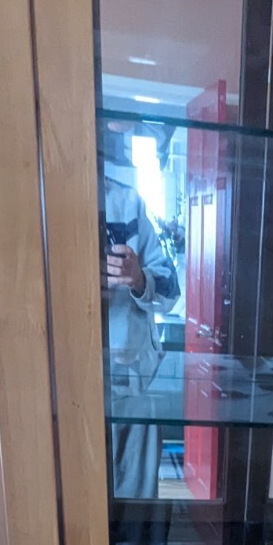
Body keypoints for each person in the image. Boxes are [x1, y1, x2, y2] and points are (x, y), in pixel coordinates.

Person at [102, 164, 180, 501]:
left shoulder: (126, 201)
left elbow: (171, 290)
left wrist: (139, 278)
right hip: (58, 381)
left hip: (133, 376)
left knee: (137, 507)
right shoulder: (32, 191)